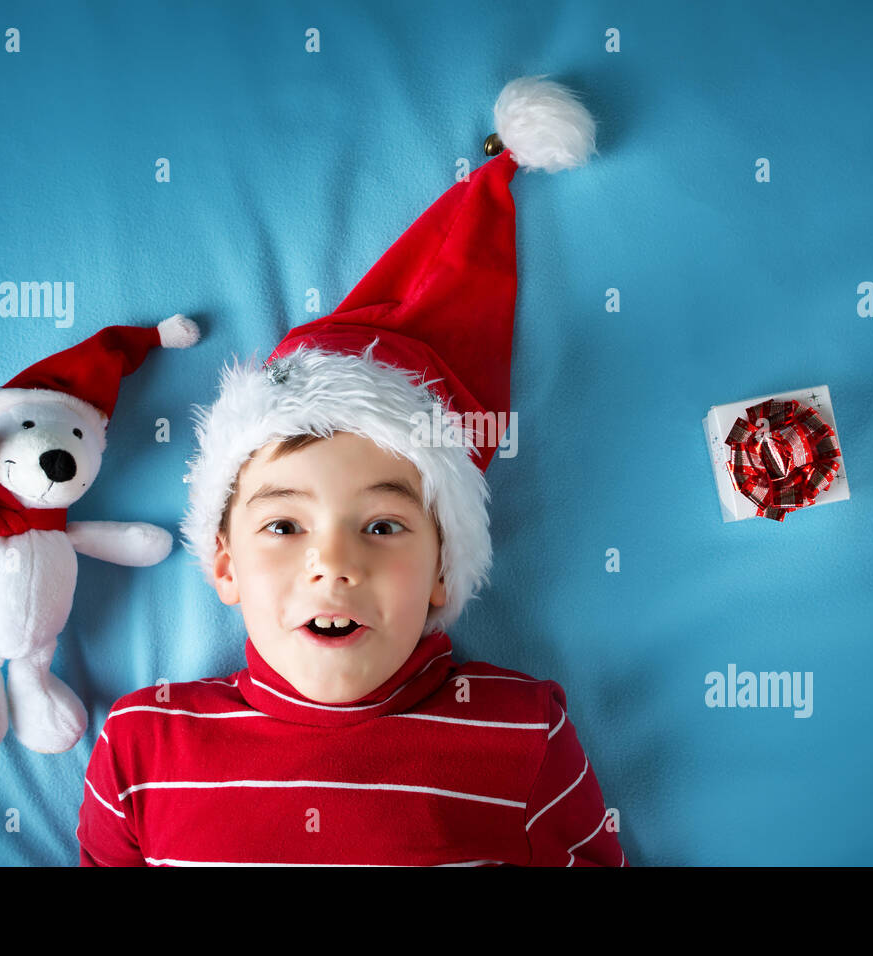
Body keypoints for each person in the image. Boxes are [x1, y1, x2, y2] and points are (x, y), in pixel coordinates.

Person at [76, 75, 627, 866]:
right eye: (283, 524)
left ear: (444, 568)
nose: (333, 563)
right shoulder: (141, 748)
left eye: (382, 525)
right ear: (224, 560)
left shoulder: (522, 734)